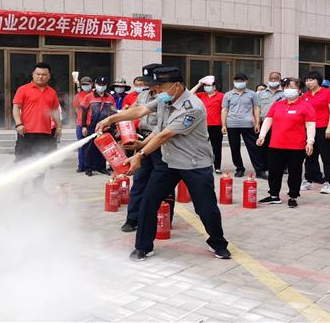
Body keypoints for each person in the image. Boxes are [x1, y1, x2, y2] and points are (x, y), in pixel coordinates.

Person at [97, 67, 231, 261]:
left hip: (194, 164)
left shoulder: (192, 107)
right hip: (169, 162)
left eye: (160, 86)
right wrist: (111, 118)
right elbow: (141, 110)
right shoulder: (164, 98)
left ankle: (218, 243)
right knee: (148, 201)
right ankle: (143, 247)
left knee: (206, 208)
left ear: (176, 86)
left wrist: (140, 155)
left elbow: (164, 135)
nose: (156, 91)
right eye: (155, 87)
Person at [119, 64, 167, 233]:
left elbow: (161, 128)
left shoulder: (166, 98)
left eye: (149, 82)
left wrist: (143, 145)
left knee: (163, 183)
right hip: (143, 139)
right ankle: (132, 219)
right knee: (139, 181)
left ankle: (165, 219)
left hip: (161, 143)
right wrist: (117, 117)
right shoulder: (144, 95)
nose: (146, 85)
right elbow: (134, 110)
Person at [256, 78, 315, 208]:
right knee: (274, 171)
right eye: (287, 87)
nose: (289, 90)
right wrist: (262, 136)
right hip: (276, 144)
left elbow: (310, 125)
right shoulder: (277, 105)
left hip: (296, 146)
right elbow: (268, 120)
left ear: (299, 90)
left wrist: (310, 141)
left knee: (294, 172)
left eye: (292, 87)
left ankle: (293, 196)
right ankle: (274, 196)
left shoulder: (305, 106)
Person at [12, 62, 62, 188]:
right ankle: (19, 190)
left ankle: (38, 189)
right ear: (33, 75)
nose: (41, 77)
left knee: (41, 162)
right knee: (22, 161)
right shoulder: (23, 89)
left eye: (44, 74)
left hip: (45, 133)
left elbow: (55, 111)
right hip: (26, 132)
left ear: (49, 76)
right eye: (38, 74)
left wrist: (59, 126)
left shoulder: (52, 92)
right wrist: (19, 124)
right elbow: (16, 108)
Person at [221, 73, 266, 179]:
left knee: (253, 148)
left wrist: (257, 123)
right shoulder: (228, 95)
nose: (238, 83)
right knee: (234, 148)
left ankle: (259, 171)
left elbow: (256, 108)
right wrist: (223, 125)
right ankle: (239, 168)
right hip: (232, 125)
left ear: (246, 81)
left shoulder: (252, 94)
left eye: (241, 81)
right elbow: (224, 110)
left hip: (248, 124)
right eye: (236, 81)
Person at [301, 71, 330, 194]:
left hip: (323, 128)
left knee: (326, 157)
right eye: (307, 80)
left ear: (318, 81)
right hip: (309, 129)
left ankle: (327, 182)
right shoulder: (305, 95)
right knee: (309, 156)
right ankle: (308, 180)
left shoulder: (328, 93)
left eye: (311, 80)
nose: (308, 82)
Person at [81, 76, 117, 176]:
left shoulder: (110, 98)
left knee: (104, 148)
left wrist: (112, 126)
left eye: (103, 85)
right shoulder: (89, 97)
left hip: (105, 126)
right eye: (99, 84)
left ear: (106, 86)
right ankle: (88, 168)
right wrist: (84, 126)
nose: (101, 86)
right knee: (89, 148)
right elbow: (84, 112)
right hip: (92, 126)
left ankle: (101, 167)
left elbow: (113, 113)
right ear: (95, 85)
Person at [190, 75, 224, 174]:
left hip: (216, 125)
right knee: (199, 146)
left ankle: (217, 167)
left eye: (209, 85)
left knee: (216, 147)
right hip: (202, 125)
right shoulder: (202, 95)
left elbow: (224, 110)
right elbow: (189, 94)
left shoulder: (221, 96)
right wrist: (199, 84)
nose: (206, 87)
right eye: (205, 86)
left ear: (214, 87)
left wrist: (224, 125)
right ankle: (201, 165)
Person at [254, 71, 285, 172]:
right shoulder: (261, 94)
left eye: (276, 79)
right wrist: (257, 123)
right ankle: (265, 166)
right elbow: (257, 108)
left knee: (279, 145)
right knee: (264, 145)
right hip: (264, 123)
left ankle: (282, 166)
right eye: (271, 79)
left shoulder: (284, 94)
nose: (273, 80)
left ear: (279, 80)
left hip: (280, 123)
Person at [72, 76, 93, 173]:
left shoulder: (95, 95)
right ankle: (81, 165)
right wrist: (81, 118)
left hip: (92, 123)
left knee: (91, 146)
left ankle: (91, 166)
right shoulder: (78, 96)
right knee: (81, 145)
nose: (85, 86)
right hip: (81, 124)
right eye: (83, 84)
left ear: (91, 84)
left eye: (87, 84)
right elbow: (76, 109)